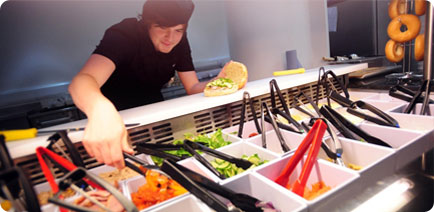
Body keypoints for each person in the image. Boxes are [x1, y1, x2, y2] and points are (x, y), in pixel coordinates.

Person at [69, 0, 225, 169]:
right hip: (113, 117)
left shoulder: (179, 40)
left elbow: (193, 87)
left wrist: (219, 83)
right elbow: (82, 81)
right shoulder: (125, 34)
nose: (170, 38)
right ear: (147, 23)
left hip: (153, 115)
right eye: (162, 27)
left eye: (178, 30)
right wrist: (100, 110)